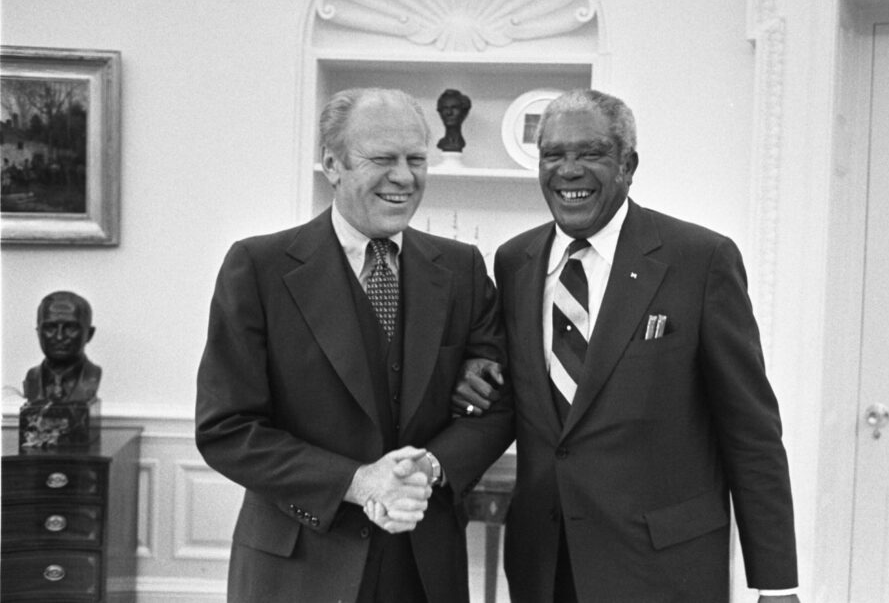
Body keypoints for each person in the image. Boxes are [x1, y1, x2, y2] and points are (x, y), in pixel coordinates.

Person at [454, 89, 799, 602]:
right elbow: (516, 392)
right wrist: (468, 375)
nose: (568, 171)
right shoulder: (514, 261)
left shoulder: (700, 260)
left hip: (662, 571)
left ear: (627, 164)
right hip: (543, 566)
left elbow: (751, 434)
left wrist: (776, 584)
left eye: (590, 153)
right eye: (553, 155)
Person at [196, 87, 512, 603]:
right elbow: (226, 429)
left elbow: (498, 408)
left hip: (425, 566)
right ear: (332, 165)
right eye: (382, 159)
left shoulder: (463, 270)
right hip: (296, 568)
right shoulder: (259, 268)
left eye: (416, 159)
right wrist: (360, 482)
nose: (404, 177)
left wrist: (429, 469)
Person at [23, 290, 101, 402]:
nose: (59, 336)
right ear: (38, 332)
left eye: (71, 328)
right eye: (50, 327)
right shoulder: (32, 378)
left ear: (89, 334)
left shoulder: (92, 377)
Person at [435, 88, 471, 153]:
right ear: (440, 112)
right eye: (445, 108)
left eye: (454, 108)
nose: (449, 112)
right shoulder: (443, 143)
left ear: (464, 113)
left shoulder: (460, 143)